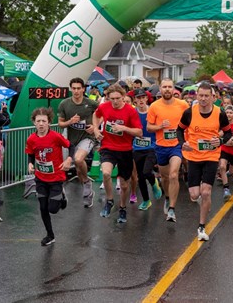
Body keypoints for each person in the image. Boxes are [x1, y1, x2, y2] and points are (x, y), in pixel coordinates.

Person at [178, 83, 233, 241]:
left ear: (212, 97)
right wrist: (183, 143)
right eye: (200, 95)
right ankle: (204, 202)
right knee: (195, 195)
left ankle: (201, 227)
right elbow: (179, 130)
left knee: (206, 191)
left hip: (211, 156)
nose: (203, 99)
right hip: (194, 157)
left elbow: (229, 133)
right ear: (197, 96)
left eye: (206, 96)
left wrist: (220, 140)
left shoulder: (219, 113)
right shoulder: (189, 112)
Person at [93, 84, 142, 223]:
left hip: (125, 150)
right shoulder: (104, 107)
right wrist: (96, 130)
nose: (115, 101)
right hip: (108, 147)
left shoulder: (130, 111)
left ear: (123, 97)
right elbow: (95, 115)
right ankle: (109, 201)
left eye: (118, 98)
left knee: (124, 185)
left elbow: (139, 132)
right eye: (112, 98)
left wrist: (124, 128)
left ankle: (122, 207)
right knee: (107, 173)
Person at [25, 108, 72, 246]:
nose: (41, 124)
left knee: (53, 209)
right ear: (34, 122)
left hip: (56, 178)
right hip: (40, 178)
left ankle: (62, 197)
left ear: (49, 122)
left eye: (43, 121)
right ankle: (50, 235)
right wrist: (30, 164)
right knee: (43, 207)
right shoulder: (31, 139)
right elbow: (31, 153)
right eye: (38, 121)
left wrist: (69, 159)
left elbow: (71, 146)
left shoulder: (55, 136)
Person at [147, 79, 190, 222]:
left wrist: (188, 139)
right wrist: (160, 127)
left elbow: (190, 123)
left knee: (173, 175)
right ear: (160, 89)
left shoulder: (183, 105)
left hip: (176, 145)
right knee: (165, 178)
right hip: (161, 146)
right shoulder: (154, 106)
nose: (167, 89)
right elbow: (148, 127)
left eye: (169, 87)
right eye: (164, 87)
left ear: (173, 90)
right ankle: (167, 197)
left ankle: (172, 208)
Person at [57, 77, 99, 208]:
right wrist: (70, 122)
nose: (76, 91)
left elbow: (103, 113)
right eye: (74, 88)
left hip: (87, 137)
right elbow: (61, 124)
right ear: (71, 89)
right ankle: (87, 187)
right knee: (78, 168)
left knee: (79, 159)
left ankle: (87, 184)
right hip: (71, 139)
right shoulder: (64, 104)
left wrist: (95, 126)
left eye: (78, 88)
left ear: (83, 89)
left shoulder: (91, 103)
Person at [132, 88, 162, 211]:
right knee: (140, 176)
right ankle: (146, 201)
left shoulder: (153, 111)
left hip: (152, 147)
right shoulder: (133, 112)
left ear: (146, 98)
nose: (141, 100)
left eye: (143, 97)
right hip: (137, 147)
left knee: (146, 171)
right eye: (138, 98)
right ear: (135, 100)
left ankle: (154, 183)